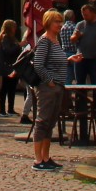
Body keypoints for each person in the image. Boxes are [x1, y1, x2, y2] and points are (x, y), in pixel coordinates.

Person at [29, 9, 71, 170]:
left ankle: (46, 157)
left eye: (60, 21)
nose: (60, 25)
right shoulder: (45, 40)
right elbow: (38, 64)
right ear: (48, 23)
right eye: (57, 22)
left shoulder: (56, 39)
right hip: (47, 88)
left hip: (58, 86)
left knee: (51, 122)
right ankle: (38, 159)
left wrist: (69, 59)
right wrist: (49, 80)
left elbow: (56, 61)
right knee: (42, 121)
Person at [69, 2, 96, 85]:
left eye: (86, 15)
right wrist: (76, 36)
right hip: (80, 58)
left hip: (95, 59)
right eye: (83, 15)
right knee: (80, 83)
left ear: (93, 13)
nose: (85, 17)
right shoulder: (80, 24)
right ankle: (81, 98)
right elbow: (72, 39)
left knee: (95, 83)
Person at [0, 19, 22, 116]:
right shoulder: (5, 37)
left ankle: (10, 109)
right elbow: (8, 50)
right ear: (9, 28)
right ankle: (2, 110)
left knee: (11, 88)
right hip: (6, 67)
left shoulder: (11, 38)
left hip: (10, 66)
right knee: (5, 88)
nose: (15, 29)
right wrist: (19, 45)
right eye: (14, 27)